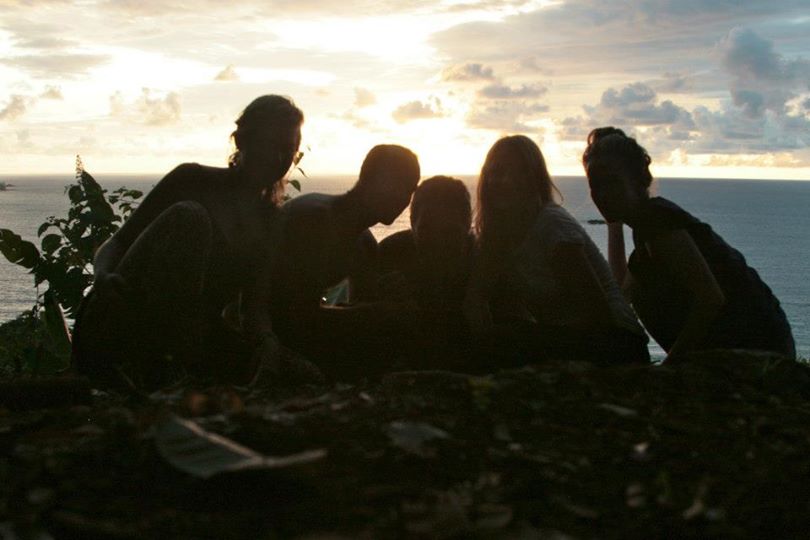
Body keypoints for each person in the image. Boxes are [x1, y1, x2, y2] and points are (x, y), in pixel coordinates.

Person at [71, 95, 305, 389]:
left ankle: (176, 368)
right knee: (190, 216)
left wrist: (266, 342)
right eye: (273, 144)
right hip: (119, 322)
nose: (280, 159)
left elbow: (253, 308)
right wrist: (103, 275)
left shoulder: (270, 221)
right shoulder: (191, 179)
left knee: (302, 374)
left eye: (290, 151)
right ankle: (161, 370)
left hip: (188, 342)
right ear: (243, 141)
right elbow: (117, 243)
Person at [582, 127, 795, 361]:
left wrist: (672, 364)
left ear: (638, 179)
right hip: (759, 346)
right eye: (596, 184)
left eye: (612, 182)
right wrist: (614, 224)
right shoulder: (647, 230)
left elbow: (710, 298)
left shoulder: (658, 221)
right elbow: (623, 291)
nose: (602, 193)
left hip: (757, 351)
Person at [464, 135, 650, 366]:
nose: (506, 180)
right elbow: (477, 294)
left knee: (508, 338)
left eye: (519, 172)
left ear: (534, 178)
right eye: (497, 172)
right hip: (572, 338)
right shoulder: (498, 236)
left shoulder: (552, 226)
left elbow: (597, 313)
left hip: (617, 343)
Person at [269, 144, 420, 377]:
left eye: (410, 189)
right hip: (263, 333)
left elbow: (363, 308)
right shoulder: (316, 219)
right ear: (370, 179)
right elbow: (291, 315)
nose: (404, 198)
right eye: (398, 184)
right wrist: (378, 312)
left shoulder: (365, 244)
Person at [377, 176, 475, 369]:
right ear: (412, 224)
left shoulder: (485, 261)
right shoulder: (391, 253)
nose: (438, 242)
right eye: (428, 231)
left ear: (467, 224)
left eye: (449, 233)